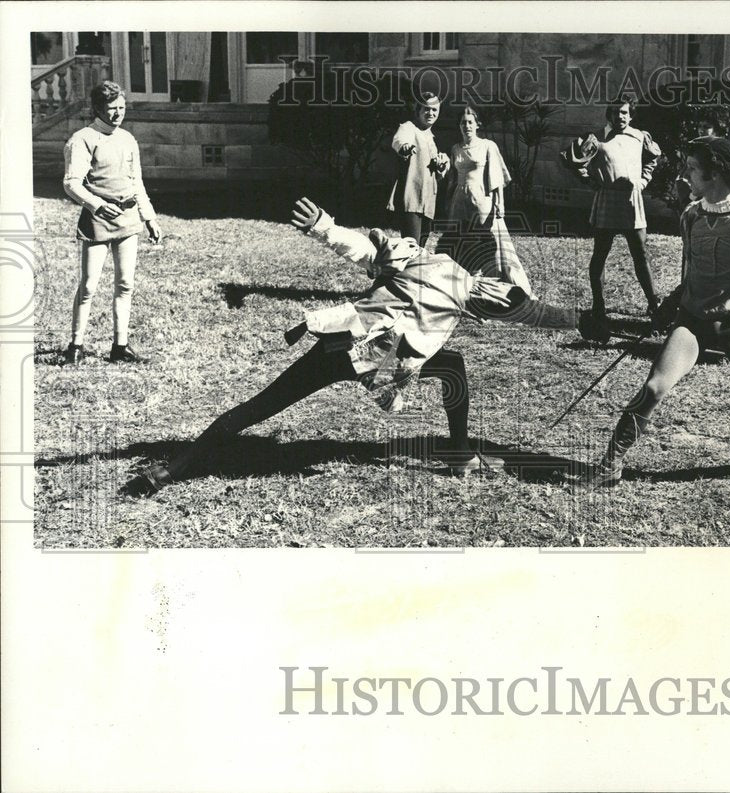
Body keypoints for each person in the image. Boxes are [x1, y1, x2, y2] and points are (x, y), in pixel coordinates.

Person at [124, 198, 596, 496]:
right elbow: (529, 311)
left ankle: (172, 469)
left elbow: (365, 250)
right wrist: (584, 320)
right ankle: (457, 452)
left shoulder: (420, 255)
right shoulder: (467, 284)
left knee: (264, 405)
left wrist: (323, 226)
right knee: (451, 369)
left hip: (342, 339)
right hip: (375, 355)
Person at [586, 137, 730, 488]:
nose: (685, 175)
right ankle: (611, 463)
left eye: (692, 168)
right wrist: (670, 304)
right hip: (691, 323)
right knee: (653, 388)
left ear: (716, 173)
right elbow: (691, 271)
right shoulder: (692, 215)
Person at [62, 80, 162, 365]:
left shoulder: (128, 139)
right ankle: (76, 346)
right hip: (98, 221)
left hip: (129, 221)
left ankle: (120, 346)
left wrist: (149, 217)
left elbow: (136, 182)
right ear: (97, 108)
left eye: (122, 107)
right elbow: (72, 183)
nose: (118, 114)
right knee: (89, 285)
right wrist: (97, 205)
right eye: (112, 108)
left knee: (125, 284)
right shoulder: (82, 139)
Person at [562, 96, 661, 320]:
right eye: (616, 113)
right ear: (610, 115)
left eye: (625, 112)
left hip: (632, 201)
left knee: (641, 254)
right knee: (600, 254)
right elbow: (571, 159)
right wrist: (588, 179)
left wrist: (643, 181)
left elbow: (652, 159)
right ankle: (599, 305)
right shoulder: (596, 138)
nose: (620, 117)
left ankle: (654, 304)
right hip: (607, 200)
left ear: (631, 114)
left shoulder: (639, 137)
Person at [437, 107, 532, 294]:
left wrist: (500, 203)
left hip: (481, 201)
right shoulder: (455, 148)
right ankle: (461, 285)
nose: (467, 126)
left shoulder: (488, 146)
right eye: (463, 122)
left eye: (470, 122)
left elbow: (497, 176)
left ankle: (489, 286)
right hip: (459, 201)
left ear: (477, 124)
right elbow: (452, 178)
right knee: (460, 241)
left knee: (484, 243)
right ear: (459, 125)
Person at [386, 92, 449, 247]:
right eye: (427, 109)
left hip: (428, 201)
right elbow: (399, 141)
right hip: (411, 198)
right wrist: (404, 147)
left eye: (435, 110)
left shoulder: (432, 138)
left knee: (420, 248)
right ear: (419, 110)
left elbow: (437, 173)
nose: (431, 113)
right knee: (411, 247)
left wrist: (442, 164)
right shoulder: (408, 127)